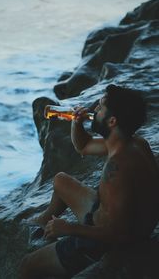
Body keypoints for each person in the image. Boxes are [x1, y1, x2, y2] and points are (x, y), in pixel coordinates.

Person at [20, 84, 159, 279]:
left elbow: (120, 234)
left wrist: (69, 229)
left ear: (112, 121)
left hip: (103, 243)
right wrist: (76, 124)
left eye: (100, 107)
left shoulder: (117, 170)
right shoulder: (133, 142)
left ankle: (56, 240)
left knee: (27, 265)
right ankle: (44, 221)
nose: (94, 110)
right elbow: (83, 146)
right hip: (105, 216)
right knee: (60, 181)